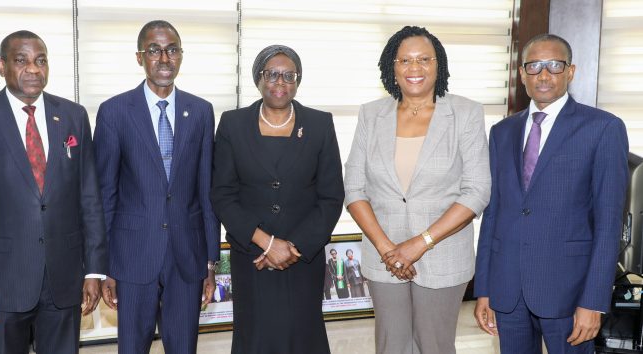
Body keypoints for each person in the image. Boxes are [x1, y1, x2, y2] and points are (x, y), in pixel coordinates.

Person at [0, 30, 107, 353]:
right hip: (3, 284)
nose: (33, 69)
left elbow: (89, 199)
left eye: (40, 61)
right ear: (1, 66)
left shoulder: (73, 116)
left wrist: (93, 270)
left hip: (64, 279)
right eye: (21, 60)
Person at [474, 34, 629, 354]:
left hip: (570, 294)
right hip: (508, 291)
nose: (544, 75)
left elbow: (609, 223)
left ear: (570, 72)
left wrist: (594, 301)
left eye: (554, 66)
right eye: (534, 66)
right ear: (521, 74)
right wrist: (485, 289)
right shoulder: (502, 132)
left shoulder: (602, 128)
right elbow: (494, 213)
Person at [343, 25, 491, 354]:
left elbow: (477, 190)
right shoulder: (371, 114)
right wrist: (387, 249)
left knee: (434, 346)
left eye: (425, 59)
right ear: (391, 68)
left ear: (440, 66)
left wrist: (419, 243)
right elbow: (354, 187)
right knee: (390, 345)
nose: (415, 68)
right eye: (405, 60)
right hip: (384, 256)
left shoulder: (465, 113)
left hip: (443, 253)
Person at [93, 20, 219, 354]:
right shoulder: (114, 112)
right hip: (132, 258)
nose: (164, 58)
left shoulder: (202, 111)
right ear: (140, 57)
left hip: (187, 258)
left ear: (181, 55)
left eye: (172, 49)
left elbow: (207, 191)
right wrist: (104, 266)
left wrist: (210, 262)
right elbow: (104, 194)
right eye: (154, 50)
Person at [211, 44, 344, 354]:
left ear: (298, 81)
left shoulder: (319, 124)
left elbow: (331, 196)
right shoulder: (233, 124)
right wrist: (268, 243)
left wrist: (292, 247)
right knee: (256, 338)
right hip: (253, 256)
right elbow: (223, 194)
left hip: (302, 258)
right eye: (272, 74)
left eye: (289, 75)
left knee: (302, 337)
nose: (280, 82)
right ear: (258, 78)